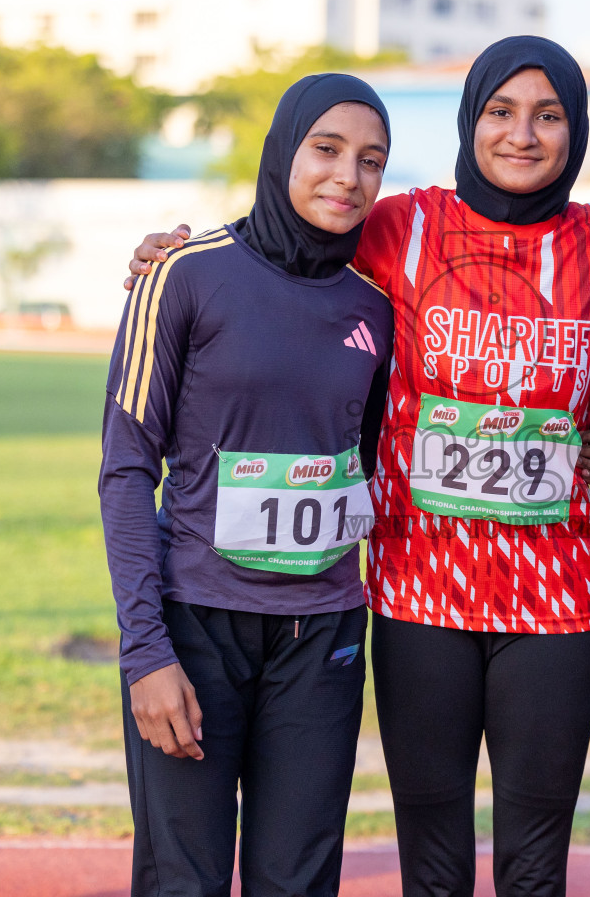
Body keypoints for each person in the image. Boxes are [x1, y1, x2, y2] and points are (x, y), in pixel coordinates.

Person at [121, 36, 590, 897]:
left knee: (533, 866)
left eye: (549, 116)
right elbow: (288, 237)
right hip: (416, 593)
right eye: (502, 112)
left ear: (576, 133)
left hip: (550, 604)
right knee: (432, 863)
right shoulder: (398, 226)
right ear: (472, 120)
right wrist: (173, 250)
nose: (524, 134)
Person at [98, 74, 396, 897]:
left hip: (323, 637)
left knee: (297, 881)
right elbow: (126, 468)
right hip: (194, 630)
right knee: (182, 881)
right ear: (282, 150)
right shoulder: (185, 274)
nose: (348, 177)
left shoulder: (378, 303)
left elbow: (374, 455)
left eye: (372, 161)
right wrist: (145, 653)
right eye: (327, 150)